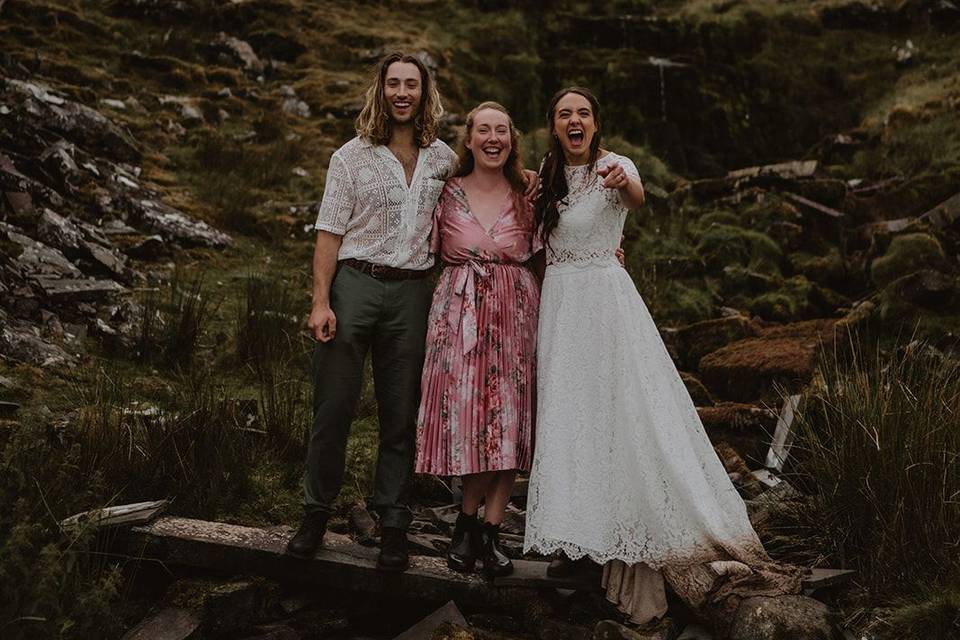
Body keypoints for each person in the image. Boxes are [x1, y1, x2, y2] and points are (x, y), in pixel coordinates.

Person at [523, 87, 802, 628]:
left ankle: (621, 535)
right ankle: (577, 537)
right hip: (559, 308)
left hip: (603, 305)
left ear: (596, 123)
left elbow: (636, 198)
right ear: (553, 126)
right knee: (571, 420)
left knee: (620, 418)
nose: (574, 120)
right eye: (564, 114)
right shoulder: (547, 176)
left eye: (582, 113)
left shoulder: (614, 166)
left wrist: (624, 182)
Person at [287, 52, 538, 572]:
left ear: (425, 94)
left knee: (401, 416)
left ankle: (394, 523)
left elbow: (488, 177)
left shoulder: (443, 158)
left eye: (412, 85)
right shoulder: (349, 157)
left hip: (413, 294)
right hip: (355, 283)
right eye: (394, 84)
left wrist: (529, 179)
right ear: (380, 91)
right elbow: (329, 233)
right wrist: (320, 300)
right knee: (333, 409)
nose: (403, 93)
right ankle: (315, 513)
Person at [415, 102, 540, 578]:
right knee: (473, 423)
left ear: (512, 139)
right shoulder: (445, 194)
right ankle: (466, 523)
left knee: (509, 423)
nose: (493, 138)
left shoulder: (529, 193)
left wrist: (609, 251)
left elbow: (556, 247)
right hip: (458, 315)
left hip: (516, 315)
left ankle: (488, 532)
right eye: (483, 130)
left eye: (502, 130)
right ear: (468, 140)